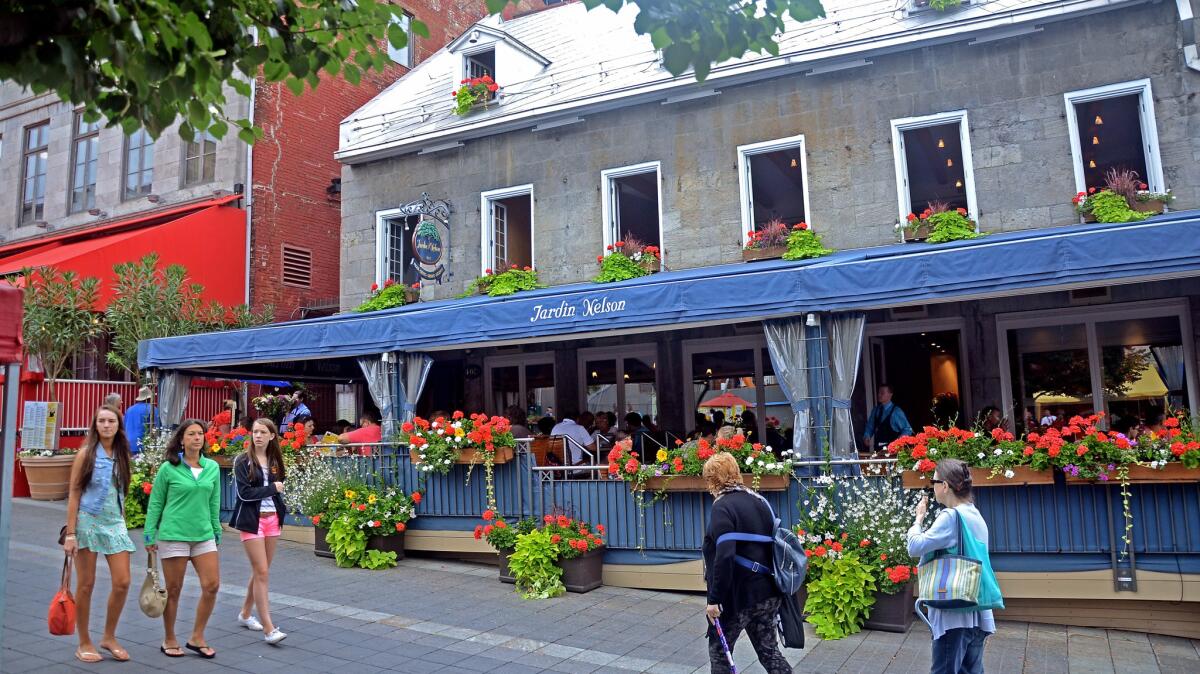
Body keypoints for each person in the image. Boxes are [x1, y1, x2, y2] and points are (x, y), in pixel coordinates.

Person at [701, 452, 789, 674]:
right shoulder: (759, 501)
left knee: (720, 653)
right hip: (768, 591)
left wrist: (715, 600)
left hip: (738, 596)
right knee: (770, 653)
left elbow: (725, 555)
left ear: (712, 479)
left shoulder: (723, 507)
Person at [907, 458, 996, 674]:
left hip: (953, 613)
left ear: (944, 486)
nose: (933, 487)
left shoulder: (950, 517)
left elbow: (915, 546)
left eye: (934, 481)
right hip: (978, 610)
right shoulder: (975, 514)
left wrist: (918, 520)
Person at [62, 405, 135, 663]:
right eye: (102, 421)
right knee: (86, 584)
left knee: (123, 581)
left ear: (118, 425)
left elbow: (121, 490)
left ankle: (109, 636)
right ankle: (84, 641)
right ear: (95, 425)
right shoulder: (86, 454)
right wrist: (71, 534)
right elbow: (74, 493)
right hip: (88, 520)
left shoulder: (122, 453)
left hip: (114, 522)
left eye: (111, 421)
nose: (106, 425)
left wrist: (124, 521)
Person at [143, 419, 222, 658]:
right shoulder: (169, 468)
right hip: (174, 534)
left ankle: (197, 637)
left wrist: (216, 528)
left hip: (203, 535)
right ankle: (169, 638)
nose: (197, 438)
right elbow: (156, 502)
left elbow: (214, 501)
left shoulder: (212, 467)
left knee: (212, 585)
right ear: (182, 439)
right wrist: (149, 533)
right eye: (191, 434)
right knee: (174, 590)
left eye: (200, 434)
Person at [229, 419, 288, 645]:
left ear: (272, 435)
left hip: (273, 519)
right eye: (255, 432)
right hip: (251, 521)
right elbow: (244, 494)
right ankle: (269, 629)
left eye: (263, 432)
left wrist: (274, 491)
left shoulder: (275, 460)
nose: (258, 436)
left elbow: (279, 485)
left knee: (260, 572)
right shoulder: (242, 461)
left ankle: (245, 614)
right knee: (262, 572)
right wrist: (271, 489)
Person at [864, 385, 913, 451]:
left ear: (890, 395)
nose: (879, 395)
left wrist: (898, 442)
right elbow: (870, 426)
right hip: (878, 450)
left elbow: (907, 429)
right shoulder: (876, 410)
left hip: (893, 451)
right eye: (879, 392)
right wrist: (867, 436)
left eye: (882, 393)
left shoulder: (896, 411)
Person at [124, 386, 159, 454]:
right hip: (142, 444)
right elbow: (156, 428)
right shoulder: (152, 409)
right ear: (150, 398)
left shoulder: (129, 409)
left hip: (128, 444)